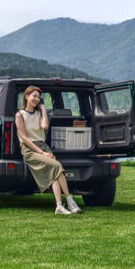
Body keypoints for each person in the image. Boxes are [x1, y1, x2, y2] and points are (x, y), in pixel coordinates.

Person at [15, 86, 82, 215]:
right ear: (26, 96)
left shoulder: (39, 114)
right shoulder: (20, 115)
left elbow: (44, 126)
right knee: (57, 166)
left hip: (43, 146)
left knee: (55, 173)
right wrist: (41, 153)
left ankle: (59, 206)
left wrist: (43, 110)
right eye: (34, 96)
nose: (36, 99)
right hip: (29, 149)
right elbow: (23, 138)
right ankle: (70, 200)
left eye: (38, 97)